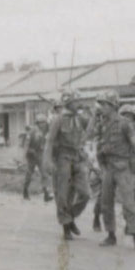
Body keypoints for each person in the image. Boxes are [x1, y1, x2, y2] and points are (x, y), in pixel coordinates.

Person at [94, 93, 135, 249]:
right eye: (101, 105)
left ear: (113, 106)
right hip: (108, 168)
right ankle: (111, 235)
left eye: (104, 104)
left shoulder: (125, 123)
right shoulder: (102, 124)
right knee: (106, 202)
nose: (101, 108)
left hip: (123, 167)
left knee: (129, 202)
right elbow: (97, 143)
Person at [42, 90, 92, 240]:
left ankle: (70, 216)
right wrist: (47, 160)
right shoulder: (58, 119)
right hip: (63, 158)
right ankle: (66, 227)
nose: (79, 104)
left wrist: (92, 113)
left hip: (77, 157)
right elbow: (50, 141)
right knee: (63, 194)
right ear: (69, 103)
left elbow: (89, 131)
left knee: (85, 193)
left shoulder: (79, 119)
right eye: (76, 102)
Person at [23, 114, 53, 202]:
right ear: (38, 123)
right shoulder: (32, 131)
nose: (44, 125)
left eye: (44, 123)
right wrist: (27, 153)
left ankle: (46, 193)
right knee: (29, 174)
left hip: (40, 154)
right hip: (31, 155)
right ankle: (25, 190)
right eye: (42, 123)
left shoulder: (44, 131)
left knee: (44, 174)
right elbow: (26, 144)